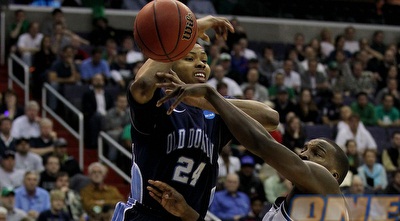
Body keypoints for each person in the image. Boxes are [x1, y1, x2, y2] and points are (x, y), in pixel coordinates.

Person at [112, 16, 279, 221]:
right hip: (145, 215)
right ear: (170, 66)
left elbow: (270, 119)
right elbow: (143, 83)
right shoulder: (158, 100)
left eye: (204, 60)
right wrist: (189, 31)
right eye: (189, 58)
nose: (200, 64)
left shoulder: (215, 108)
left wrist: (201, 99)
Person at [147, 78, 350, 220]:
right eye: (305, 148)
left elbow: (261, 143)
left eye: (317, 153)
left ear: (334, 176)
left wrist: (210, 96)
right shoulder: (290, 206)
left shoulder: (327, 187)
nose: (304, 154)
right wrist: (187, 213)